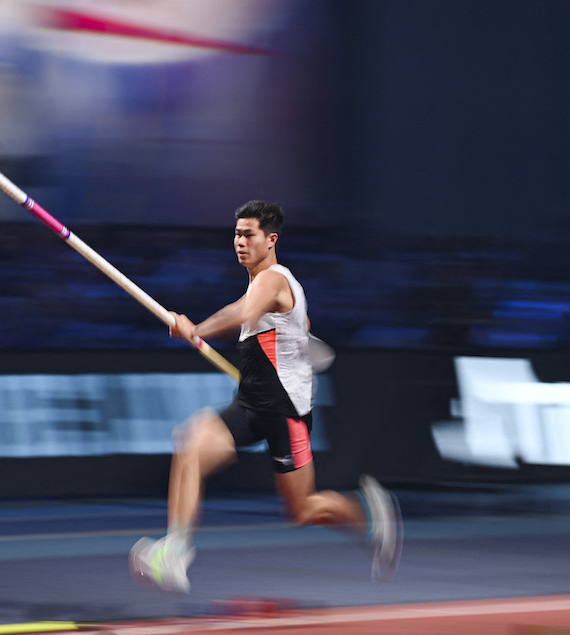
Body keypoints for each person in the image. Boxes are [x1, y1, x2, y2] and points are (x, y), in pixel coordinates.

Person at [129, 200, 402, 594]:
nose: (240, 242)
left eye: (249, 234)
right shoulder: (271, 285)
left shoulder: (273, 279)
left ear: (270, 239)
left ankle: (370, 520)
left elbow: (244, 311)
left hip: (284, 413)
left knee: (303, 510)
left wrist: (196, 329)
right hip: (252, 402)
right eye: (237, 234)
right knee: (189, 444)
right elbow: (299, 322)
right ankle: (175, 552)